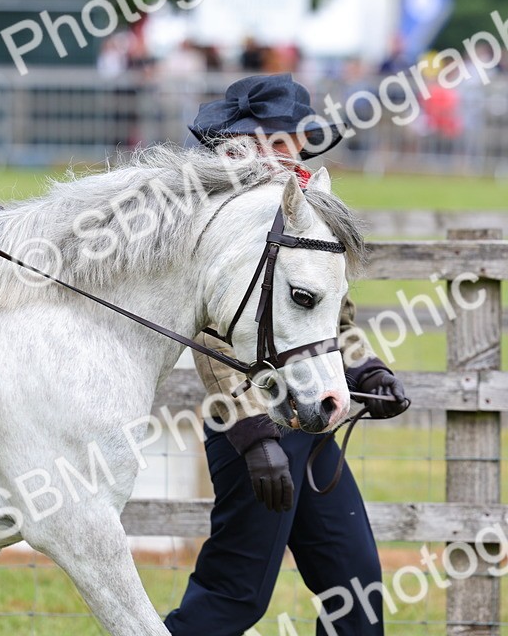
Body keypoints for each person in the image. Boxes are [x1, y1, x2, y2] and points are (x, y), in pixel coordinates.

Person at [166, 74, 410, 635]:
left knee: (356, 589)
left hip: (313, 425)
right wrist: (252, 435)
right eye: (268, 143)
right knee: (233, 598)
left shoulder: (307, 211)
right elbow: (209, 341)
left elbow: (333, 321)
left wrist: (367, 368)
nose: (282, 155)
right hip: (256, 431)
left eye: (289, 143)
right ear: (240, 143)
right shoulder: (222, 216)